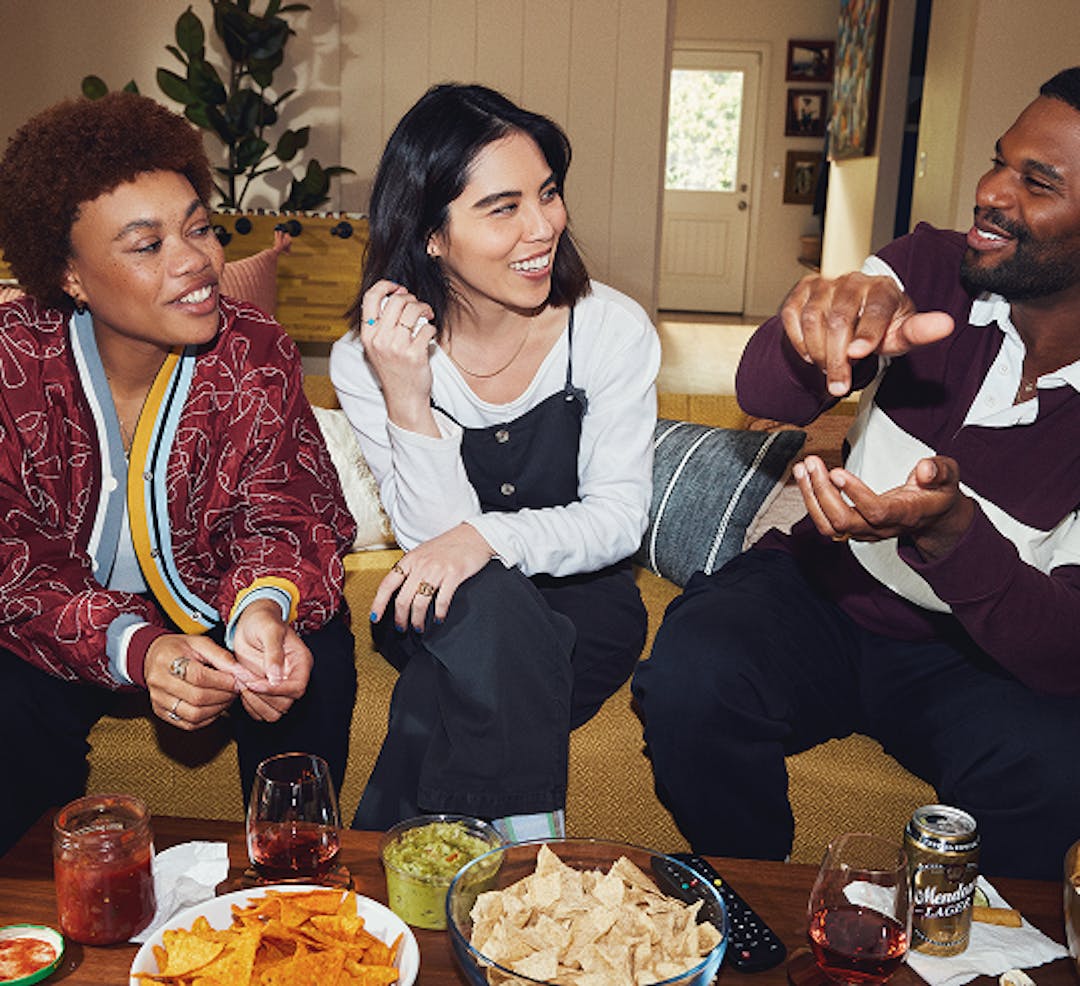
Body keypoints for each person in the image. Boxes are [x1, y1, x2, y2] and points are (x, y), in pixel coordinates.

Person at [632, 67, 1080, 880]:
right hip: (824, 588)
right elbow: (764, 395)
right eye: (998, 161)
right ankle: (753, 896)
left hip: (976, 657)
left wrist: (952, 533)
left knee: (1056, 773)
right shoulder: (932, 267)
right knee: (691, 676)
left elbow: (1063, 651)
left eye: (1036, 182)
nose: (990, 192)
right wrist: (810, 335)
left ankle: (962, 939)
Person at [0, 91, 358, 854]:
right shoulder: (14, 364)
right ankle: (33, 898)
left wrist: (263, 613)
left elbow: (288, 507)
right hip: (61, 630)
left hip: (217, 614)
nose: (195, 260)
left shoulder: (254, 348)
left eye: (198, 228)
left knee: (318, 653)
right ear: (68, 273)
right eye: (146, 245)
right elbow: (13, 558)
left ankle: (295, 877)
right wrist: (136, 648)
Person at [331, 83, 659, 840]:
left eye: (547, 193)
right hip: (440, 605)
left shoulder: (609, 330)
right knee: (487, 615)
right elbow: (431, 543)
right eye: (502, 207)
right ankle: (525, 863)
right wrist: (407, 394)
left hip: (585, 599)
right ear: (431, 235)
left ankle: (381, 873)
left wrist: (485, 538)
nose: (543, 226)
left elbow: (617, 520)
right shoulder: (369, 357)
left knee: (441, 689)